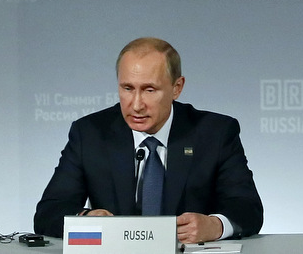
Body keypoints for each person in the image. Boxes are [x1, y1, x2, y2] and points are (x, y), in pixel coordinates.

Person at [34, 38, 264, 241]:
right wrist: (86, 217)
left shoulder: (215, 133)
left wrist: (215, 225)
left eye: (149, 90)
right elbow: (49, 212)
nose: (136, 105)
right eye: (127, 88)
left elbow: (248, 208)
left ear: (177, 88)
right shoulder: (90, 133)